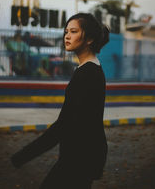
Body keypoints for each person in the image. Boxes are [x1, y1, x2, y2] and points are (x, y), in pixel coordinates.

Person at [11, 12, 110, 189]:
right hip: (83, 155)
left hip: (80, 158)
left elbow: (63, 124)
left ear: (88, 39)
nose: (67, 36)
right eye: (66, 32)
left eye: (73, 31)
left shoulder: (87, 74)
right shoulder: (91, 68)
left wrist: (23, 156)